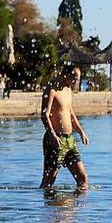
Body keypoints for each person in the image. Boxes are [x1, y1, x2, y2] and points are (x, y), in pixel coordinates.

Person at [41, 62, 89, 191]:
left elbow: (70, 113)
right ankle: (46, 210)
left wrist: (80, 131)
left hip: (70, 140)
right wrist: (52, 134)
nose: (75, 81)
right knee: (48, 181)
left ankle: (76, 209)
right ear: (64, 74)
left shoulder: (68, 90)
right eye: (74, 78)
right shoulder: (51, 90)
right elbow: (44, 115)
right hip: (55, 140)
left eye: (77, 79)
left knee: (82, 179)